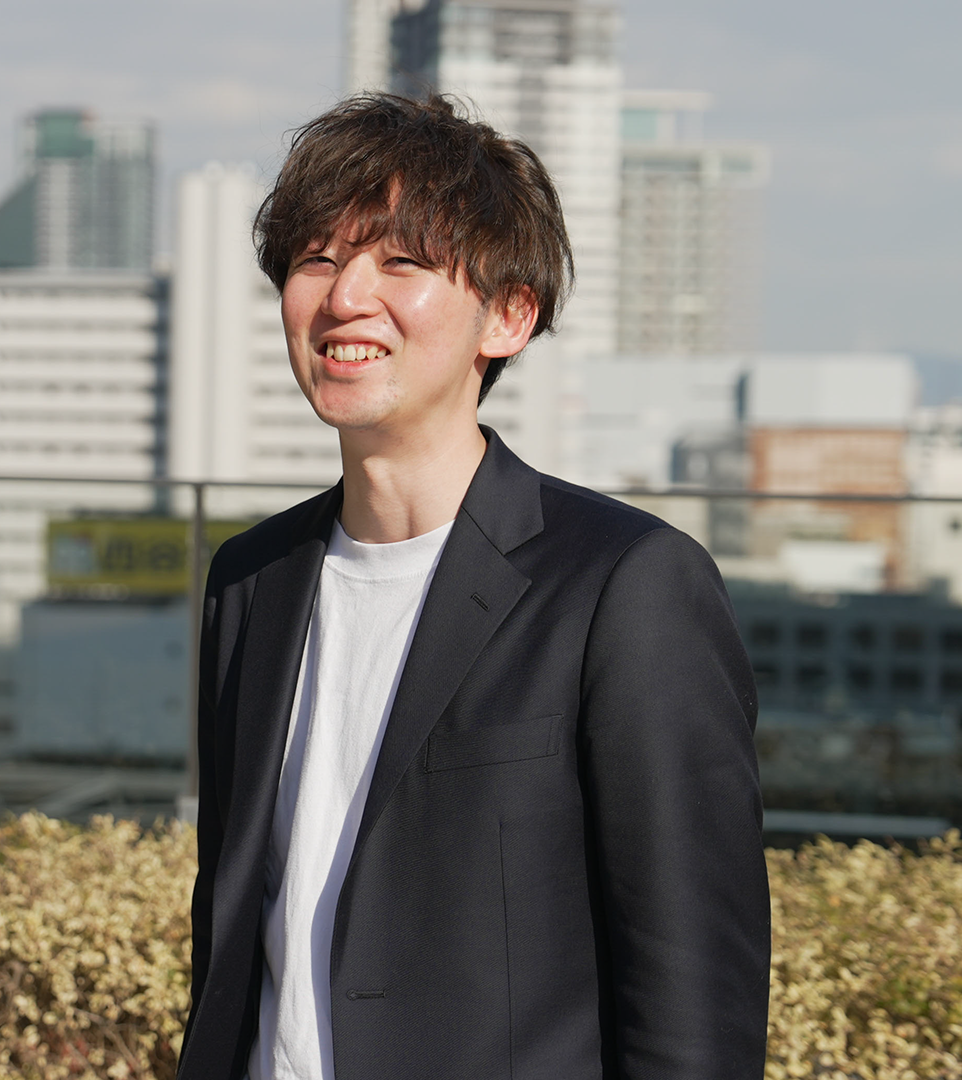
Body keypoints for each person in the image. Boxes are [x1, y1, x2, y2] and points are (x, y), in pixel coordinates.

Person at [177, 93, 770, 1080]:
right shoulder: (251, 580)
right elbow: (235, 932)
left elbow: (692, 996)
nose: (345, 296)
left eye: (401, 262)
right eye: (316, 258)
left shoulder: (625, 584)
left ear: (509, 315)